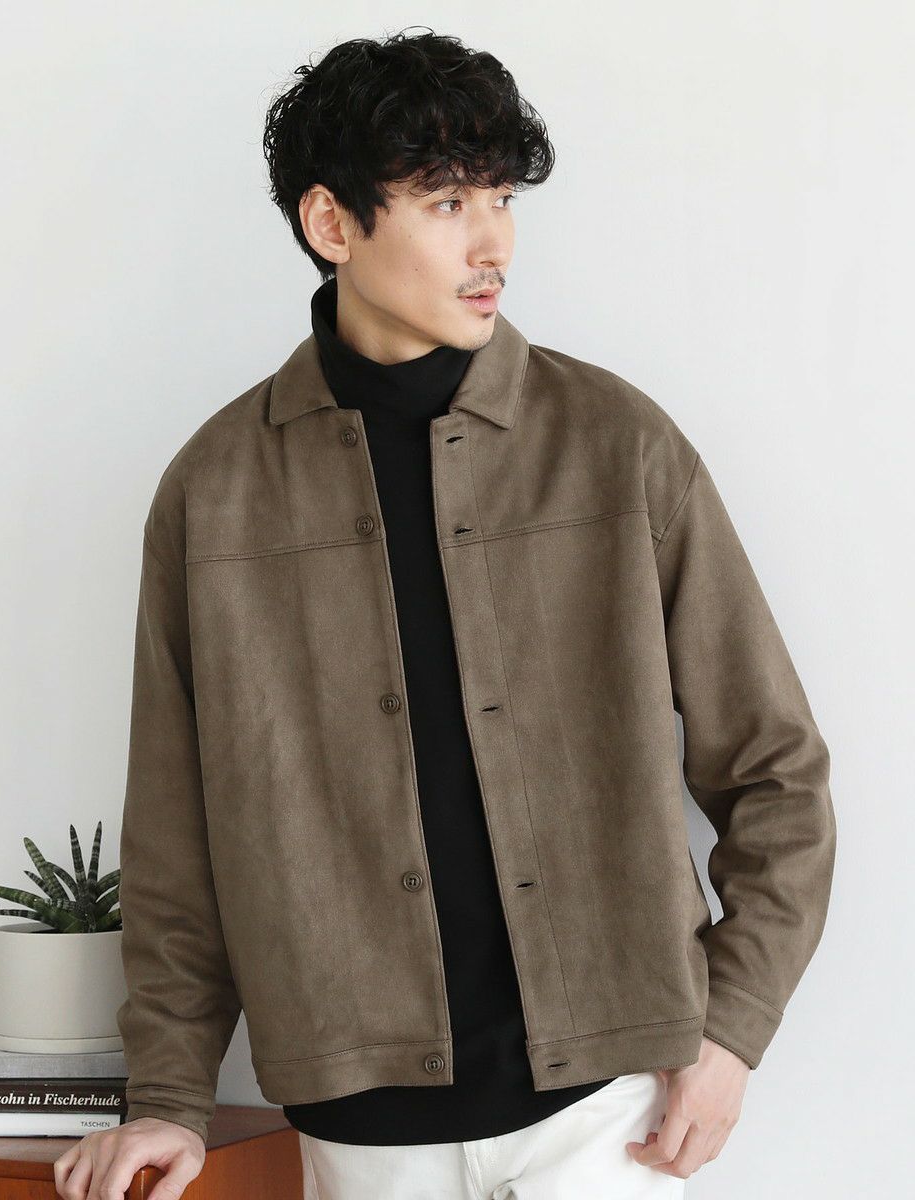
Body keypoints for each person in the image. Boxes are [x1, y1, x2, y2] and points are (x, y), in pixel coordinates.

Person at [54, 27, 836, 1200]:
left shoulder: (616, 447)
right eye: (447, 201)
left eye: (502, 199)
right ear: (333, 224)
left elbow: (775, 771)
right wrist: (166, 1097)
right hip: (365, 1137)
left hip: (610, 1121)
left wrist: (731, 1031)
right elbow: (176, 840)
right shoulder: (214, 494)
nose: (492, 243)